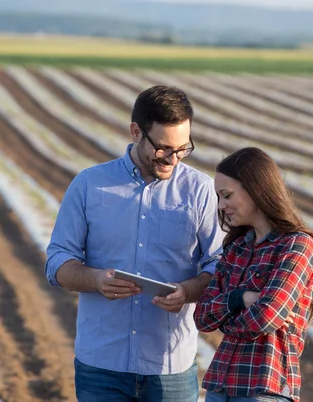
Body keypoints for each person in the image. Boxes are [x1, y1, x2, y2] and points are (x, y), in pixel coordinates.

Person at [45, 85, 225, 401]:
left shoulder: (200, 190)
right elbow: (58, 262)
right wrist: (96, 280)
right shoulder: (89, 185)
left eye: (183, 148)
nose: (174, 158)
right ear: (135, 132)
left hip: (169, 367)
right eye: (164, 148)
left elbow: (219, 266)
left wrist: (187, 293)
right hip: (101, 365)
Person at [194, 147, 313, 402]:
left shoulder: (297, 245)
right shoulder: (236, 247)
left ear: (254, 189)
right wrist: (239, 299)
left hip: (265, 388)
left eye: (227, 195)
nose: (221, 205)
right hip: (219, 385)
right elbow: (202, 317)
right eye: (219, 197)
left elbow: (266, 317)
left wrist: (225, 317)